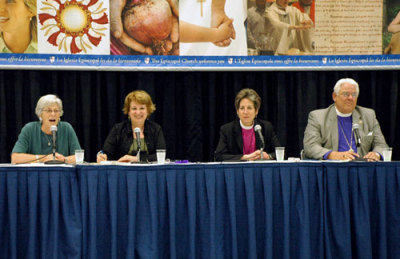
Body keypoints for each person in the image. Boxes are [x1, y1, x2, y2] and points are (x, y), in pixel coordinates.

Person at [303, 78, 388, 161]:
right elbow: (310, 146)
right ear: (334, 96)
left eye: (354, 95)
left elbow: (381, 145)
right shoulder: (318, 117)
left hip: (362, 168)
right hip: (332, 169)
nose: (350, 98)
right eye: (346, 94)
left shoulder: (368, 115)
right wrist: (333, 154)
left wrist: (376, 154)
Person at [97, 90, 166, 163]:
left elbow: (161, 155)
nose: (138, 112)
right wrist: (102, 156)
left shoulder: (156, 129)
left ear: (148, 111)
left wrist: (136, 159)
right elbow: (106, 152)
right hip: (123, 172)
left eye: (142, 108)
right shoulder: (118, 129)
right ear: (128, 111)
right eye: (134, 108)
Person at [11, 95, 81, 164]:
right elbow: (15, 158)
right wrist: (44, 158)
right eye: (48, 110)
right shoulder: (29, 129)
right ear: (40, 114)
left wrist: (64, 159)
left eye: (56, 111)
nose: (53, 114)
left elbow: (79, 157)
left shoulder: (66, 128)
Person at [215, 88, 280, 161]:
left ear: (256, 111)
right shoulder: (227, 130)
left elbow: (280, 153)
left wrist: (268, 156)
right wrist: (245, 157)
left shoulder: (266, 127)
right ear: (237, 111)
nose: (245, 112)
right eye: (242, 108)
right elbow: (218, 156)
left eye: (249, 108)